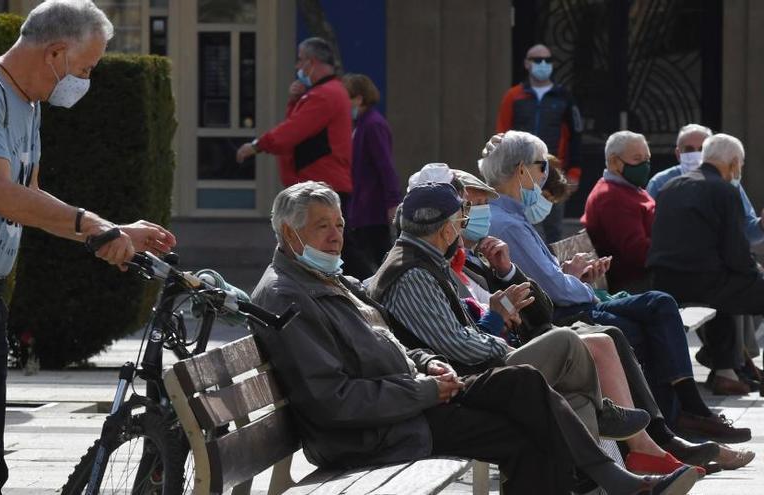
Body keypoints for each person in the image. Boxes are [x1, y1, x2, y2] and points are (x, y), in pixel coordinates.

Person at [0, 1, 177, 493]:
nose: (85, 80)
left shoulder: (27, 102)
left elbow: (29, 200)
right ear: (55, 53)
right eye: (84, 68)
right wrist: (94, 223)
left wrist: (113, 230)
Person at [251, 181, 697, 495]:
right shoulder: (287, 296)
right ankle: (617, 479)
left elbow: (395, 344)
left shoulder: (332, 279)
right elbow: (334, 400)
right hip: (377, 431)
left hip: (412, 403)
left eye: (339, 224)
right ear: (290, 234)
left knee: (524, 393)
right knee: (528, 407)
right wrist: (424, 388)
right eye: (321, 227)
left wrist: (425, 364)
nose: (335, 237)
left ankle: (616, 478)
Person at [452, 169, 750, 472]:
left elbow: (539, 306)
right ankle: (663, 439)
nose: (479, 213)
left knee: (615, 333)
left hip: (534, 333)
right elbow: (471, 337)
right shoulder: (451, 262)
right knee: (615, 331)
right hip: (504, 357)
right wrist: (501, 312)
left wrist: (507, 272)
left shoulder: (484, 254)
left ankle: (655, 445)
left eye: (481, 204)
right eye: (471, 205)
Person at [236, 37, 372, 278]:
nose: (298, 67)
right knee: (325, 244)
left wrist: (257, 145)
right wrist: (294, 100)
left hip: (319, 186)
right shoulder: (327, 93)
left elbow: (293, 131)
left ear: (312, 62)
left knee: (330, 244)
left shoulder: (324, 95)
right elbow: (298, 127)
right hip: (321, 184)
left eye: (300, 61)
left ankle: (371, 292)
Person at [648, 134, 764, 397]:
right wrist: (755, 274)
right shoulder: (725, 190)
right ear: (734, 162)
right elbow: (736, 253)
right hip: (702, 283)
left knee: (729, 294)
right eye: (740, 166)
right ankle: (727, 366)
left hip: (665, 280)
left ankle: (725, 370)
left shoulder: (671, 186)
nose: (739, 171)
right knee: (745, 288)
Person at [496, 43, 583, 243]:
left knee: (553, 230)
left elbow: (576, 136)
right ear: (527, 64)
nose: (543, 64)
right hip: (519, 172)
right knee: (519, 225)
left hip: (553, 172)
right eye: (537, 60)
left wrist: (574, 172)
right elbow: (502, 135)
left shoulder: (564, 97)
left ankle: (552, 271)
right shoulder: (513, 96)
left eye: (548, 60)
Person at [647, 124, 764, 247]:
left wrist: (761, 225)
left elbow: (746, 231)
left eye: (702, 149)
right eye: (689, 149)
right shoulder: (660, 183)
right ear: (678, 153)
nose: (697, 154)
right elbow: (650, 230)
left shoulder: (727, 184)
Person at [582, 131, 655, 292]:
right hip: (632, 284)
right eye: (637, 159)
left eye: (647, 159)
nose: (645, 166)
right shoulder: (611, 196)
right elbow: (637, 253)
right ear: (614, 161)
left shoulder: (630, 188)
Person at [341, 73, 401, 268]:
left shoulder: (372, 125)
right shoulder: (362, 125)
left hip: (372, 210)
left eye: (346, 98)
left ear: (358, 98)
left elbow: (385, 166)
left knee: (373, 262)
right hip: (362, 208)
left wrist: (392, 202)